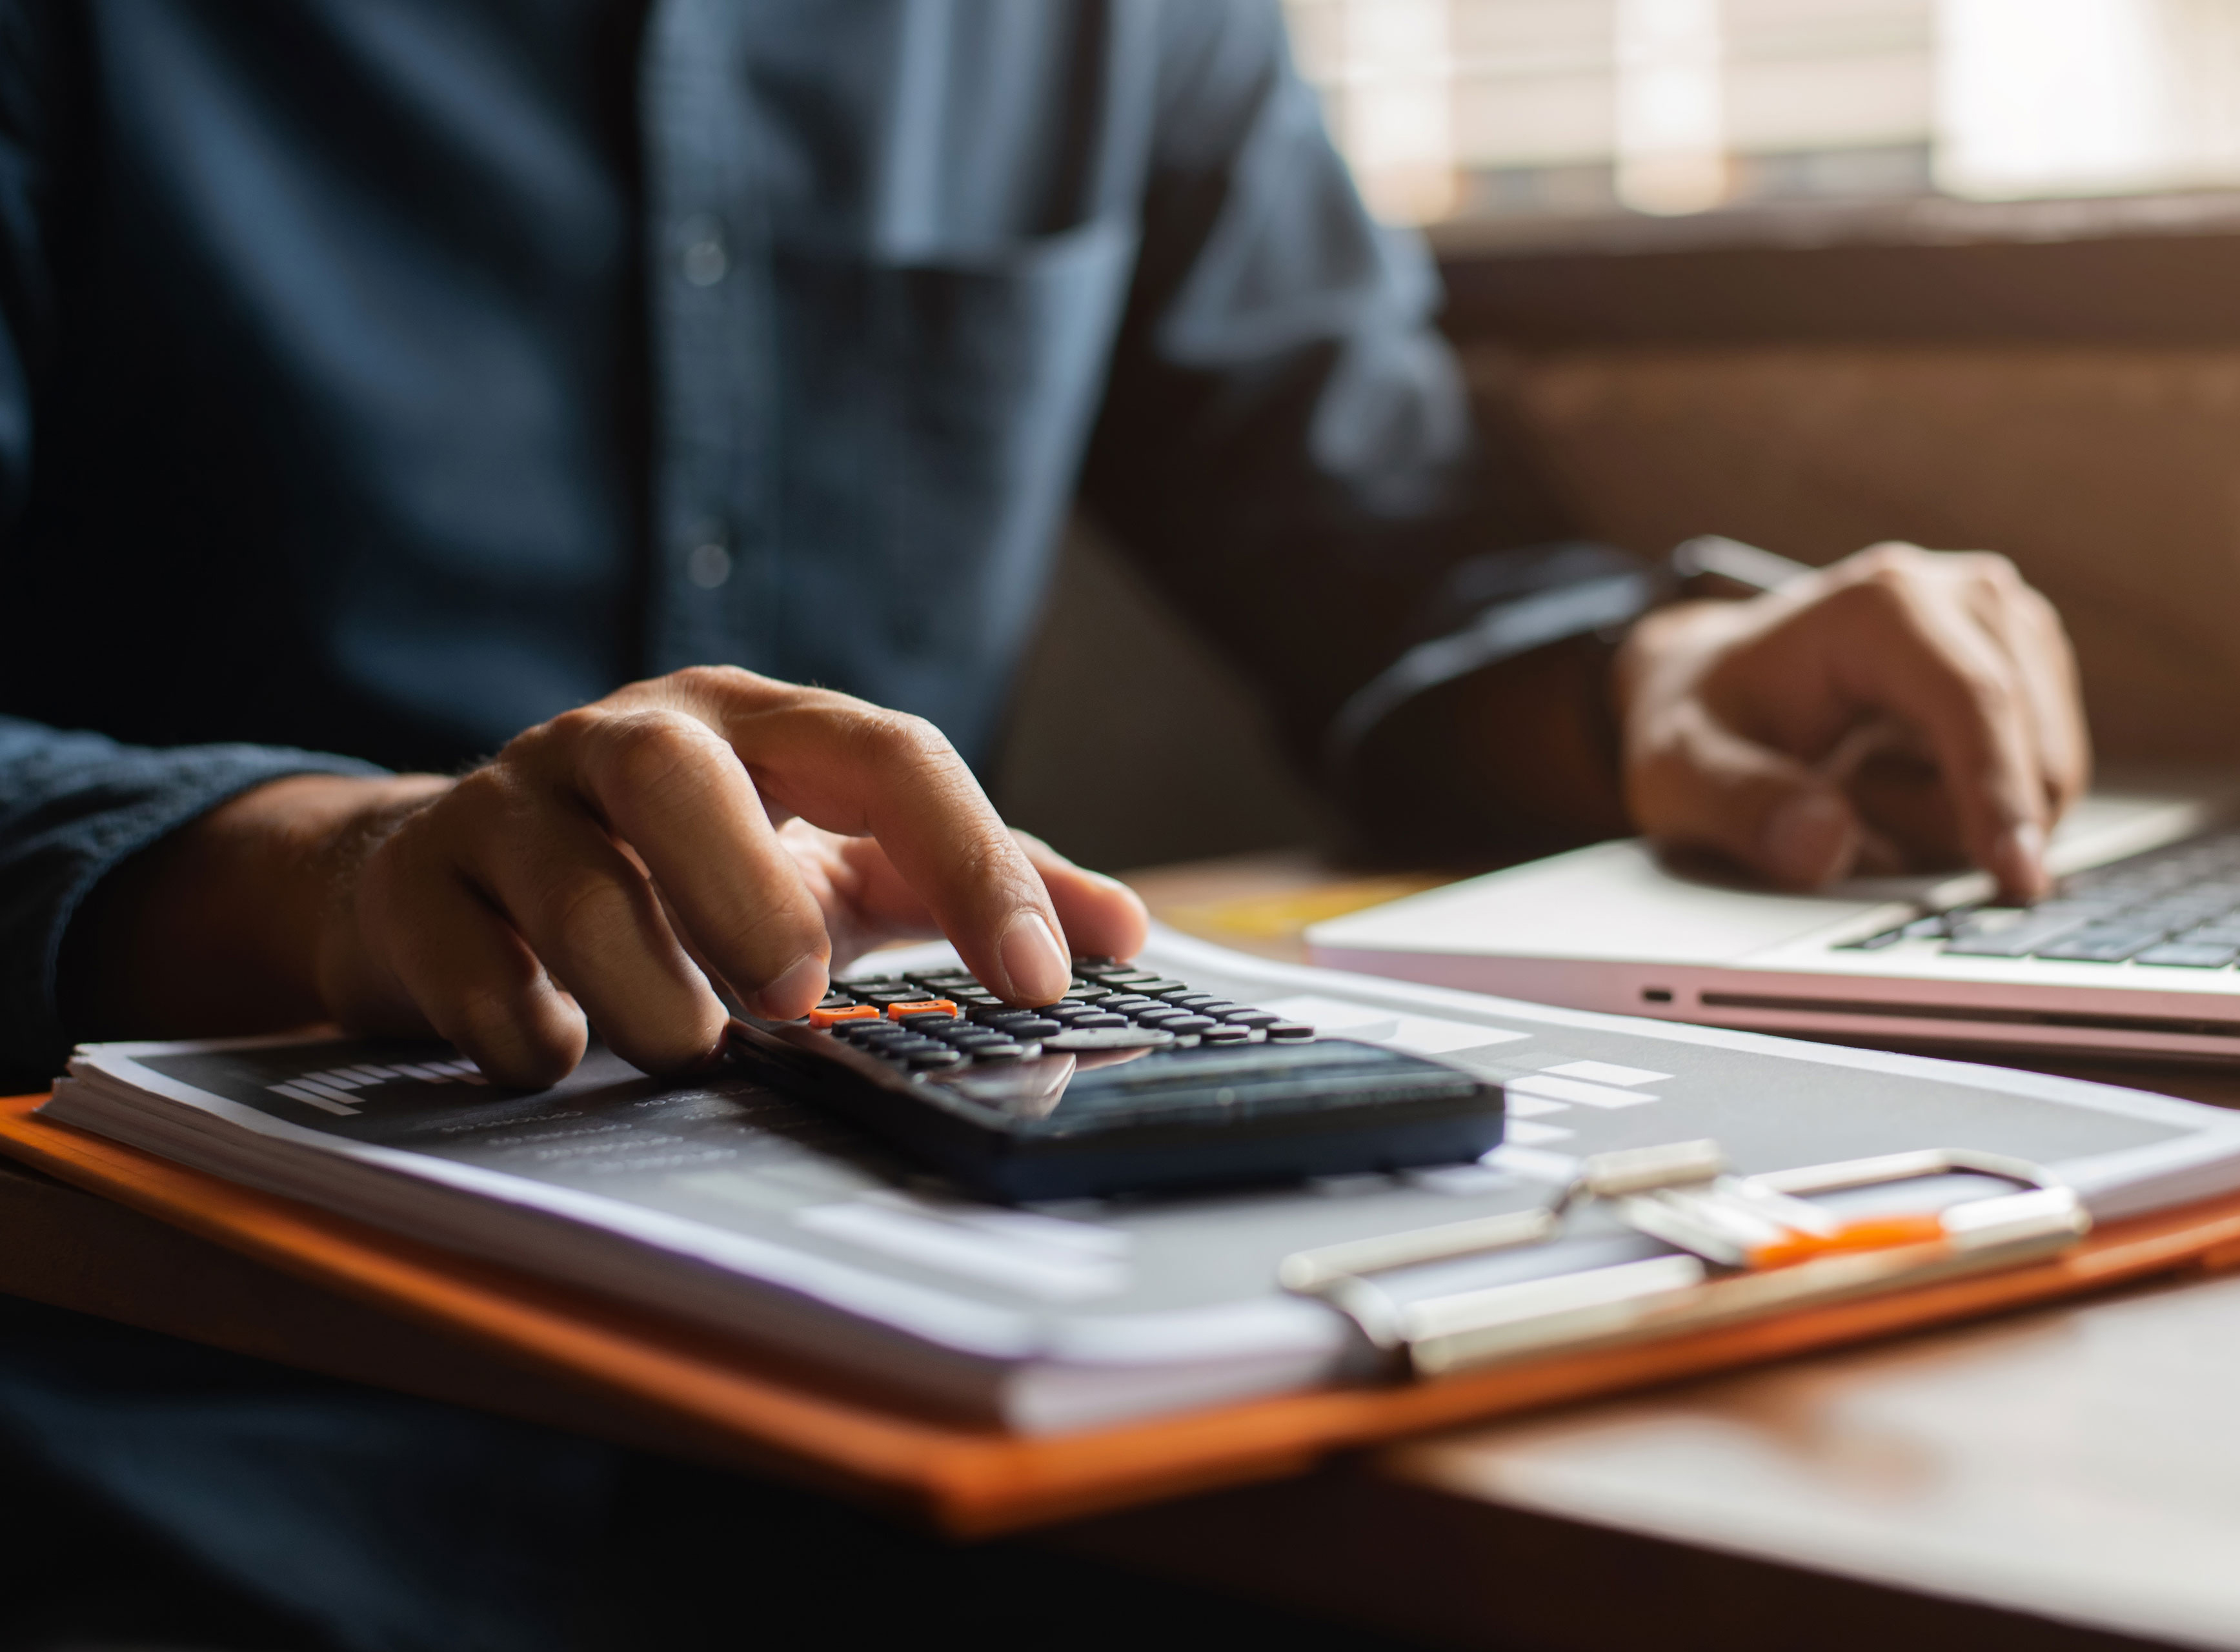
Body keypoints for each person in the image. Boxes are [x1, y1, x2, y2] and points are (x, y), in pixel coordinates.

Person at [0, 3, 2086, 1647]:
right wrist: (331, 865)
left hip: (969, 1354)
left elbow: (1380, 541)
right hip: (196, 1390)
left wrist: (1652, 675)